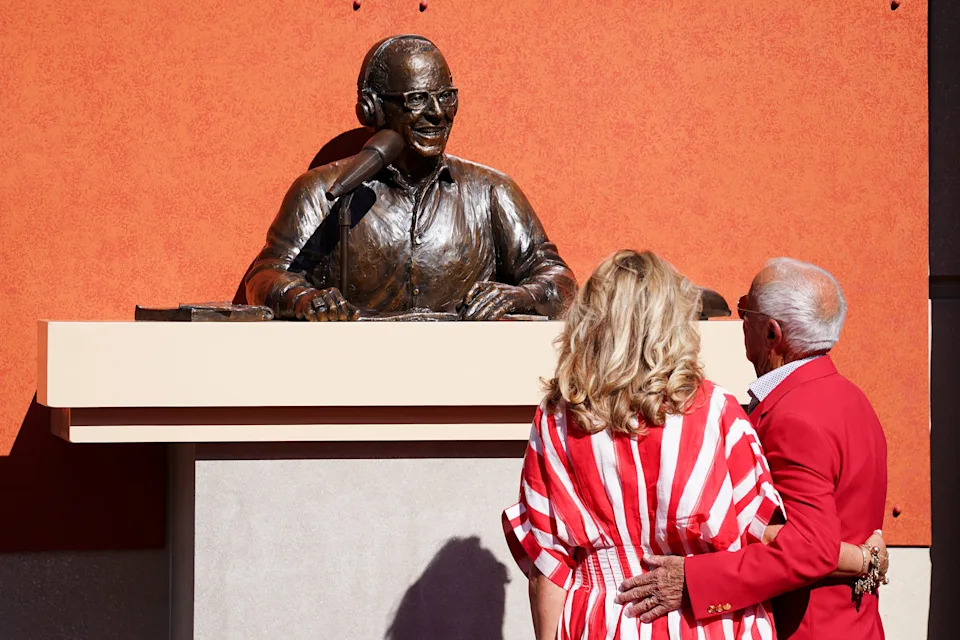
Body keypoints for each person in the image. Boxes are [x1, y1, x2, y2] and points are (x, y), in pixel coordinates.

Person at [616, 257, 888, 639]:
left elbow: (810, 548)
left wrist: (692, 581)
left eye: (745, 309)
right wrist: (865, 559)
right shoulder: (852, 398)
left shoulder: (794, 415)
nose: (741, 320)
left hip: (807, 628)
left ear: (772, 333)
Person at [245, 34, 576, 321]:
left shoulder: (492, 192)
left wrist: (517, 297)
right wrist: (305, 300)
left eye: (447, 96)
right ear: (371, 108)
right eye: (417, 99)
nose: (437, 113)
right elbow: (264, 277)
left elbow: (560, 281)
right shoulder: (322, 192)